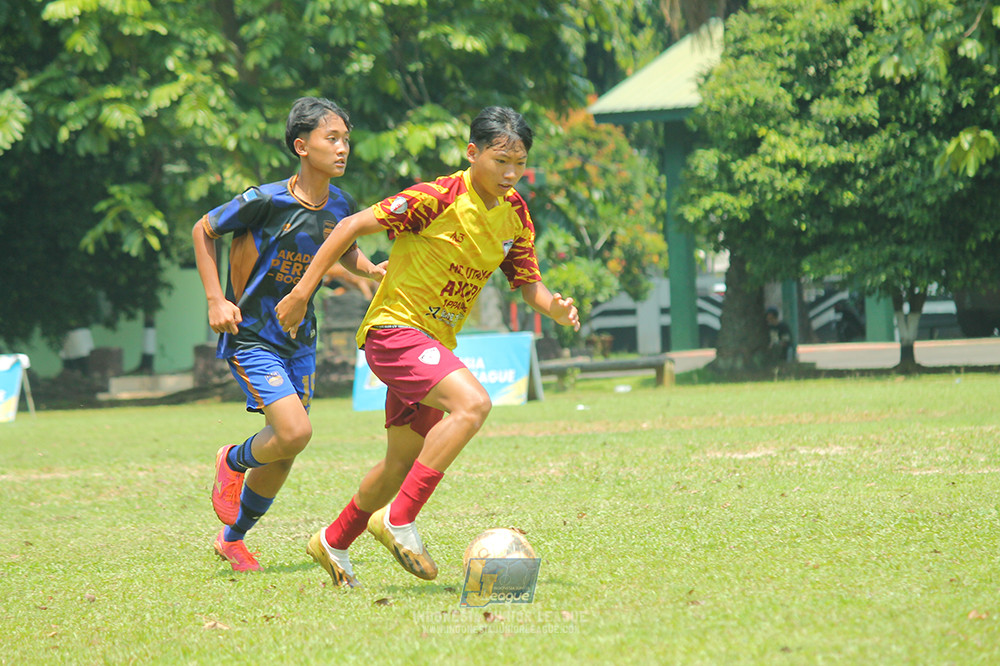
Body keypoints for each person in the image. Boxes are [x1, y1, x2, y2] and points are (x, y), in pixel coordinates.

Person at [276, 105, 580, 588]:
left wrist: (555, 308)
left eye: (519, 163)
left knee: (399, 462)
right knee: (474, 404)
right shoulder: (435, 197)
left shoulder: (515, 214)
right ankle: (401, 519)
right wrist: (300, 292)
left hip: (432, 341)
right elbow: (349, 226)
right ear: (472, 153)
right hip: (394, 332)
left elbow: (527, 284)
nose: (510, 173)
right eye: (501, 160)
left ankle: (332, 540)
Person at [192, 97, 384, 572]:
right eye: (331, 139)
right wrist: (216, 299)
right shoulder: (264, 200)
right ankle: (232, 459)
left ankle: (232, 538)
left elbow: (344, 252)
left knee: (288, 447)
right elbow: (203, 229)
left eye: (346, 140)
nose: (342, 149)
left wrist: (372, 271)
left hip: (300, 339)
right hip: (252, 335)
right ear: (302, 146)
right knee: (294, 431)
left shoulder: (339, 204)